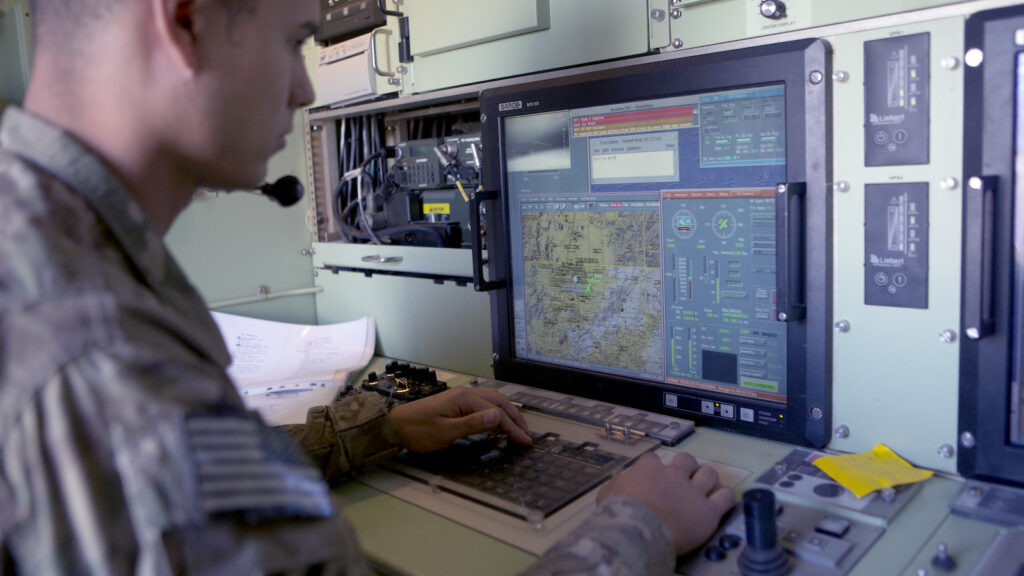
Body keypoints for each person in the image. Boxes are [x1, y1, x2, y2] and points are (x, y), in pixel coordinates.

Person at [0, 0, 735, 573]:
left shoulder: (45, 247)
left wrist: (376, 431)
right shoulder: (104, 352)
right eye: (293, 41)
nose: (303, 87)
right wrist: (640, 529)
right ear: (184, 22)